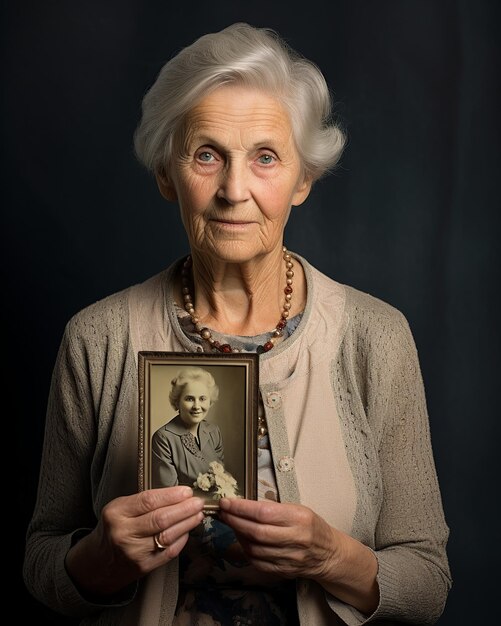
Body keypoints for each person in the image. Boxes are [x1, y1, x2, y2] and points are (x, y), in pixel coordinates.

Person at [23, 22, 451, 625]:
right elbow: (41, 561)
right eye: (207, 155)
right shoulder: (97, 338)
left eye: (266, 158)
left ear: (304, 180)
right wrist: (99, 558)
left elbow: (429, 583)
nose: (234, 189)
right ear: (167, 175)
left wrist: (332, 557)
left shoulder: (375, 337)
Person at [151, 367, 230, 498]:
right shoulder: (163, 438)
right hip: (184, 509)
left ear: (210, 401)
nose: (197, 406)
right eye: (189, 399)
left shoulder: (214, 431)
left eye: (203, 398)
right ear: (177, 402)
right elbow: (168, 493)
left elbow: (221, 476)